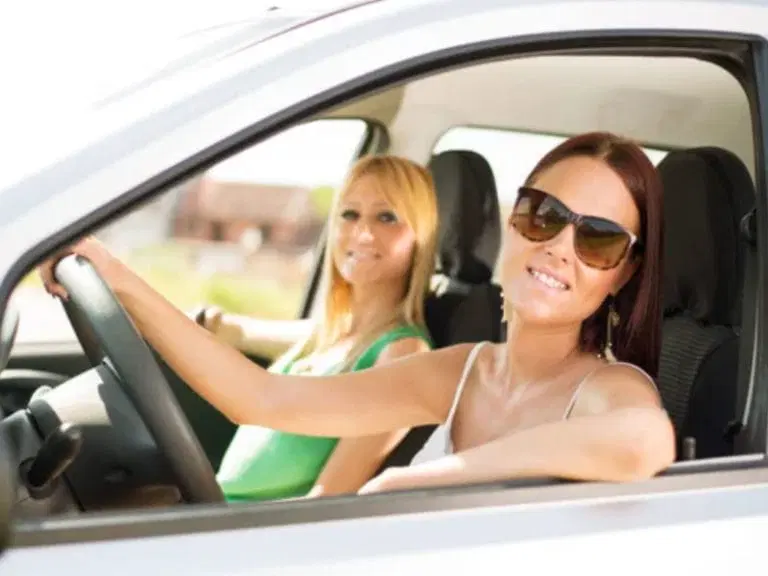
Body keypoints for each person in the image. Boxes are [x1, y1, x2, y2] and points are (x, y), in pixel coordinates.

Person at [40, 131, 676, 495]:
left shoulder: (608, 387)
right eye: (543, 215)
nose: (559, 248)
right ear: (512, 222)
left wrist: (411, 485)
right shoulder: (461, 372)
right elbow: (263, 399)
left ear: (622, 274)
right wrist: (117, 278)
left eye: (598, 239)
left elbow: (642, 443)